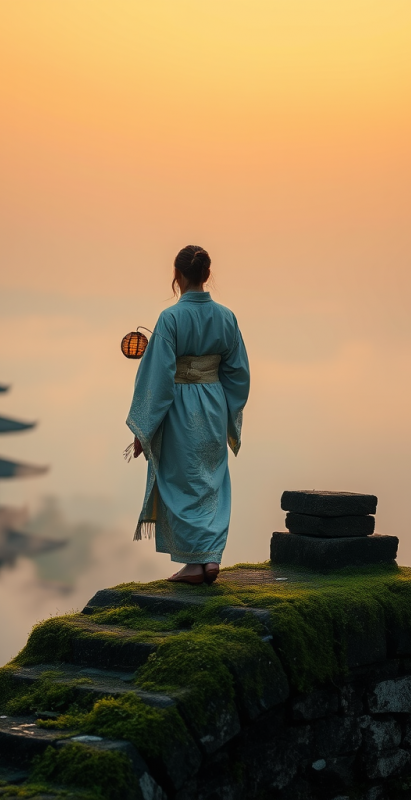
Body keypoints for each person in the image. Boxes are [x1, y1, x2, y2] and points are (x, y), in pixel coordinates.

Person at [126, 245, 250, 585]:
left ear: (176, 276)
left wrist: (144, 428)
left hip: (179, 405)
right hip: (213, 402)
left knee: (182, 480)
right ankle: (209, 558)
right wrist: (228, 410)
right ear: (207, 275)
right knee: (209, 480)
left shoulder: (170, 319)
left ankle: (196, 563)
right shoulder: (226, 316)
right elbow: (238, 372)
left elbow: (158, 378)